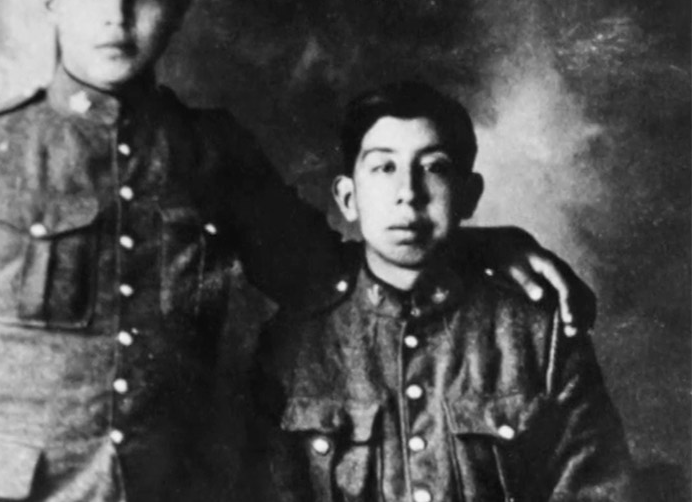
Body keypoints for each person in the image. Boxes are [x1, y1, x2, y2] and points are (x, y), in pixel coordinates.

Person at [0, 0, 593, 502]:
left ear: (180, 6)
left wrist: (478, 242)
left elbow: (330, 274)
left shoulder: (214, 155)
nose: (116, 14)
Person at [251, 82, 634, 502]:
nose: (409, 194)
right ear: (348, 197)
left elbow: (597, 489)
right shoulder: (292, 345)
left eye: (434, 167)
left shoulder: (539, 336)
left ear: (469, 196)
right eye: (383, 168)